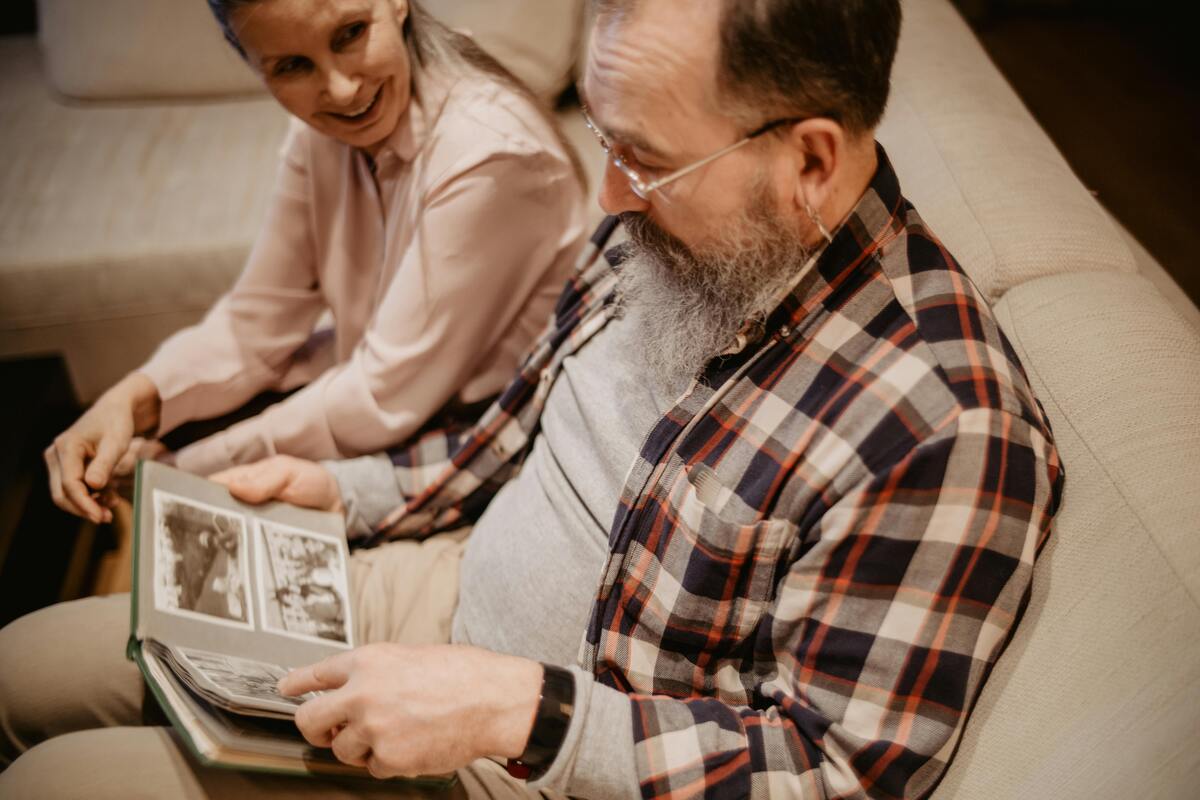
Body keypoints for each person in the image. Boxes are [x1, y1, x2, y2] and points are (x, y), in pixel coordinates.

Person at [0, 1, 1065, 798]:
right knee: (19, 671)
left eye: (640, 157)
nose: (604, 196)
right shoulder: (673, 230)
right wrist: (342, 485)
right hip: (434, 591)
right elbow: (509, 436)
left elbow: (832, 769)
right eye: (608, 138)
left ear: (811, 162)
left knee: (57, 782)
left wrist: (513, 706)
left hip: (529, 756)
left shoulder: (940, 424)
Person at [42, 0, 588, 525]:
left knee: (204, 476)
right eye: (292, 66)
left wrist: (177, 470)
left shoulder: (488, 155)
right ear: (254, 66)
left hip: (482, 426)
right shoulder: (321, 131)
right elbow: (257, 321)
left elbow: (381, 396)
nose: (342, 90)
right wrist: (130, 398)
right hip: (396, 386)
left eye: (350, 33)